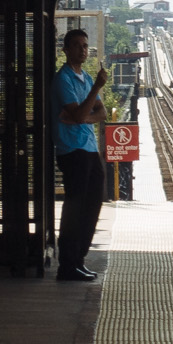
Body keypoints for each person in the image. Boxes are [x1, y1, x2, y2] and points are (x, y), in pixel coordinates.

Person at [55, 29, 108, 282]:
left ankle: (79, 259)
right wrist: (96, 89)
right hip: (72, 149)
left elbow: (102, 113)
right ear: (65, 50)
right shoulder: (63, 79)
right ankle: (67, 264)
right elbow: (78, 114)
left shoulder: (85, 77)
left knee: (92, 205)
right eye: (76, 46)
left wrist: (82, 117)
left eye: (85, 46)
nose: (82, 50)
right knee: (75, 208)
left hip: (89, 147)